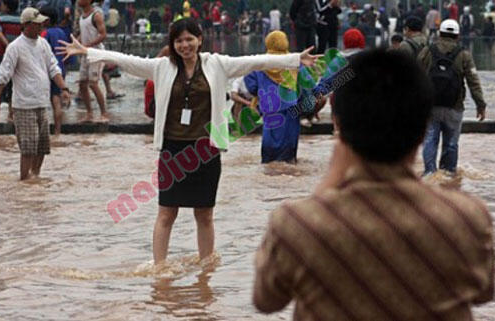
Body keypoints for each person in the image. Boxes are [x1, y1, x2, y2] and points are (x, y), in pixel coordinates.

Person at [253, 48, 495, 320]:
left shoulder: (297, 224)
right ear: (423, 128)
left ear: (338, 124)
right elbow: (483, 291)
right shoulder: (467, 219)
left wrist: (325, 189)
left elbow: (266, 299)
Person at [57, 18, 320, 264]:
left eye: (189, 39)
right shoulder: (162, 67)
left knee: (204, 214)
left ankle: (206, 269)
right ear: (172, 44)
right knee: (166, 213)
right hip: (173, 148)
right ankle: (159, 269)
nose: (184, 45)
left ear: (200, 39)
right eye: (178, 41)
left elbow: (255, 61)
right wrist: (89, 53)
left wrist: (296, 59)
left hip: (206, 149)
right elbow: (128, 61)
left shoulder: (217, 64)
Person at [0, 7, 70, 180]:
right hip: (24, 105)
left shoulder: (43, 44)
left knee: (42, 148)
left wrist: (64, 88)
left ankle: (35, 178)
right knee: (28, 149)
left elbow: (53, 67)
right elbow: (3, 76)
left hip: (42, 102)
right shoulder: (15, 47)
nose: (42, 25)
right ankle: (24, 181)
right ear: (26, 25)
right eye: (37, 23)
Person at [418, 19, 487, 176]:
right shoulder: (464, 54)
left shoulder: (428, 51)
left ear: (440, 33)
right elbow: (473, 81)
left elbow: (414, 76)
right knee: (451, 144)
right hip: (454, 107)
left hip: (431, 106)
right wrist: (480, 104)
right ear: (457, 36)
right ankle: (448, 175)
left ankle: (429, 172)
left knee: (430, 140)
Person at [243, 30, 310, 163]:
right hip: (292, 112)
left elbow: (251, 86)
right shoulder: (296, 63)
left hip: (270, 111)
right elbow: (308, 89)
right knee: (289, 159)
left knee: (269, 156)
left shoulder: (260, 63)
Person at [78, 0, 108, 123]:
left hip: (96, 53)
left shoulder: (96, 15)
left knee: (93, 83)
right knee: (81, 83)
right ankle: (89, 114)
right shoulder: (82, 16)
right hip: (86, 53)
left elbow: (103, 34)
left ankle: (104, 113)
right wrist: (76, 43)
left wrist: (87, 46)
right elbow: (83, 34)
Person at [40, 7, 67, 136]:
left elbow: (41, 51)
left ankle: (54, 131)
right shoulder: (62, 32)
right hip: (61, 68)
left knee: (53, 100)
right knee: (57, 100)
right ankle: (58, 131)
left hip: (49, 69)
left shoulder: (45, 34)